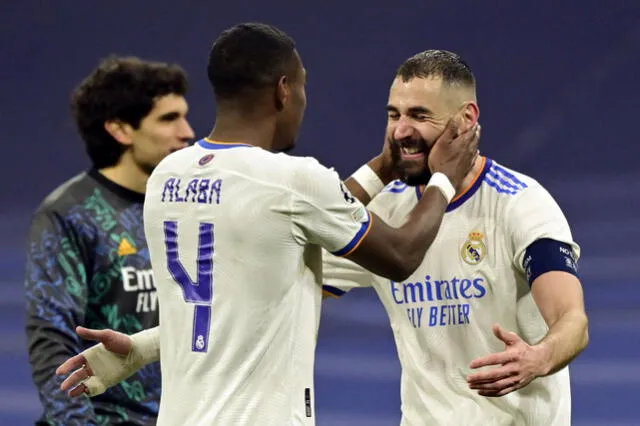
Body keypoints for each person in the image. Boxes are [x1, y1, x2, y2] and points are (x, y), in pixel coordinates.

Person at [55, 23, 479, 426]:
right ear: (283, 90)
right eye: (303, 86)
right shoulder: (292, 180)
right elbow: (400, 255)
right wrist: (445, 176)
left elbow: (232, 301)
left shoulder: (169, 176)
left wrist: (139, 350)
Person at [321, 50, 589, 425]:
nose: (400, 131)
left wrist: (539, 357)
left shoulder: (521, 203)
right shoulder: (386, 207)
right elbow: (303, 257)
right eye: (393, 115)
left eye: (419, 115)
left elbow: (572, 319)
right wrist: (380, 170)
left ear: (466, 119)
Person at [25, 55, 195, 425]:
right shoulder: (70, 214)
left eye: (184, 116)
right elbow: (52, 343)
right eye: (169, 119)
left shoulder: (188, 209)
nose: (188, 132)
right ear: (120, 129)